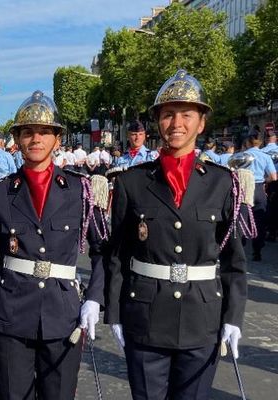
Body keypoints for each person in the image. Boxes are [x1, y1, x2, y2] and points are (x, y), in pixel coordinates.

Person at [104, 70, 254, 400]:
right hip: (144, 316)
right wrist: (113, 313)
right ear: (158, 121)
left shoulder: (222, 183)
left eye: (187, 114)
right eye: (168, 114)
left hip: (202, 318)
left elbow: (233, 259)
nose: (177, 123)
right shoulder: (132, 182)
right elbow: (117, 255)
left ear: (201, 123)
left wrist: (233, 316)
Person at [0, 90, 108, 400]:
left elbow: (103, 251)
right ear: (17, 140)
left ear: (57, 139)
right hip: (10, 314)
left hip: (63, 313)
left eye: (44, 132)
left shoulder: (81, 190)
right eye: (27, 132)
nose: (35, 138)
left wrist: (94, 298)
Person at [240, 133, 277, 260]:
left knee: (243, 220)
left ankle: (241, 248)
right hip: (259, 188)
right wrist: (265, 181)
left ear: (248, 142)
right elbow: (273, 177)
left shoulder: (242, 155)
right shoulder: (266, 157)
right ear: (261, 142)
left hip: (245, 188)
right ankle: (257, 251)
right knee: (259, 221)